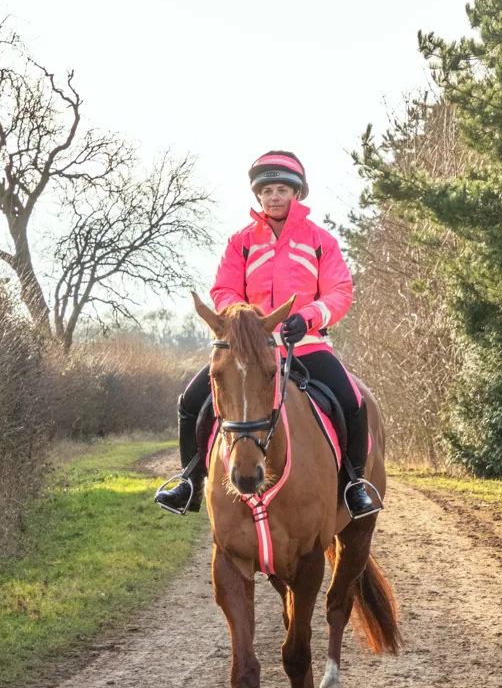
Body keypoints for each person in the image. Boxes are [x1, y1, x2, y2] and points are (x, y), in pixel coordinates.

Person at [155, 150, 378, 519]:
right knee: (191, 401)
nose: (274, 197)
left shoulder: (321, 240)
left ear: (297, 194)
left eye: (282, 190)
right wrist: (244, 317)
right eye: (267, 190)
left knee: (353, 402)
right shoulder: (240, 242)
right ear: (257, 196)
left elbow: (340, 291)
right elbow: (223, 289)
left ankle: (354, 484)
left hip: (306, 346)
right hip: (248, 350)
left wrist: (306, 317)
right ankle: (189, 481)